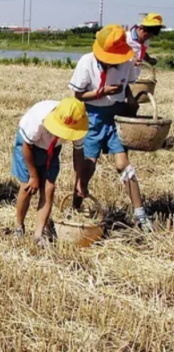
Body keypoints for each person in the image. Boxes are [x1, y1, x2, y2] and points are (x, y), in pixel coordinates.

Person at [69, 24, 152, 231]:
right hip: (92, 116)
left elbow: (127, 89)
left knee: (124, 166)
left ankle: (141, 216)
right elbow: (78, 96)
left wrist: (132, 104)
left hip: (116, 115)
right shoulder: (86, 62)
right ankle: (74, 207)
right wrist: (101, 92)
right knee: (86, 168)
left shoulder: (126, 62)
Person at [12, 98, 88, 244]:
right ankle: (19, 227)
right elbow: (26, 147)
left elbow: (78, 153)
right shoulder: (38, 119)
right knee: (27, 187)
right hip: (29, 147)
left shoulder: (78, 123)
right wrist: (33, 176)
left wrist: (79, 180)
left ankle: (38, 235)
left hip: (51, 149)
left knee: (49, 188)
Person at [127, 13, 165, 80]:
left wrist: (148, 59)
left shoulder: (146, 41)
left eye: (153, 34)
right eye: (148, 34)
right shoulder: (126, 38)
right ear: (141, 28)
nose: (149, 37)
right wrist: (131, 59)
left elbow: (141, 52)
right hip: (121, 77)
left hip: (134, 77)